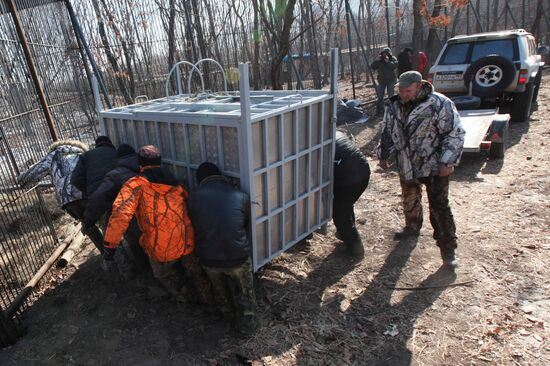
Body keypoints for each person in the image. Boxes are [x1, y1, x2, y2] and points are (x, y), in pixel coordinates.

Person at [103, 145, 213, 305]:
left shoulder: (135, 185)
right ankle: (209, 302)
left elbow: (120, 215)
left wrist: (109, 246)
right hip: (186, 241)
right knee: (197, 273)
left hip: (160, 248)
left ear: (139, 164)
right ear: (160, 162)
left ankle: (187, 298)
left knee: (163, 275)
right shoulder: (176, 183)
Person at [376, 71, 465, 268]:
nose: (403, 94)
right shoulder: (394, 105)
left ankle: (447, 248)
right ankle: (412, 227)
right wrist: (383, 154)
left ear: (419, 86)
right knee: (409, 197)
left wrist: (447, 161)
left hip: (433, 164)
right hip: (406, 161)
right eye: (401, 90)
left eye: (408, 90)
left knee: (439, 206)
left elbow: (455, 132)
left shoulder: (439, 103)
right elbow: (387, 129)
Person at [188, 162, 259, 335]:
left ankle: (227, 318)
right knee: (245, 293)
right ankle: (247, 328)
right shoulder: (240, 196)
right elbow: (244, 223)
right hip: (238, 257)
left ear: (200, 180)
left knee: (219, 291)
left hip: (209, 259)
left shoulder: (193, 199)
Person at [16, 140, 103, 253]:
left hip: (68, 199)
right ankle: (115, 247)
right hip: (87, 193)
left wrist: (20, 179)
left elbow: (32, 174)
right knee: (102, 218)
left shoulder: (52, 156)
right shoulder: (83, 153)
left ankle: (106, 253)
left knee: (87, 224)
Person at [83, 144, 149, 278]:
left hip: (134, 219)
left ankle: (146, 274)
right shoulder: (148, 167)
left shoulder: (114, 175)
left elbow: (98, 199)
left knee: (134, 240)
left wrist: (88, 220)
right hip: (157, 216)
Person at [333, 131, 371, 258]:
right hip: (364, 171)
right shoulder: (335, 132)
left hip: (349, 179)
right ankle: (345, 234)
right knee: (346, 205)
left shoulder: (319, 144)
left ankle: (356, 250)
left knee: (340, 214)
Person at [370, 47, 398, 116]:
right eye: (384, 54)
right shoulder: (379, 60)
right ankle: (379, 112)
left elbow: (394, 66)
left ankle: (392, 111)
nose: (385, 55)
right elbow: (372, 67)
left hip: (391, 80)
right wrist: (376, 60)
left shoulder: (392, 58)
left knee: (391, 96)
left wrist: (388, 61)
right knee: (380, 97)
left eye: (386, 54)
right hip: (382, 81)